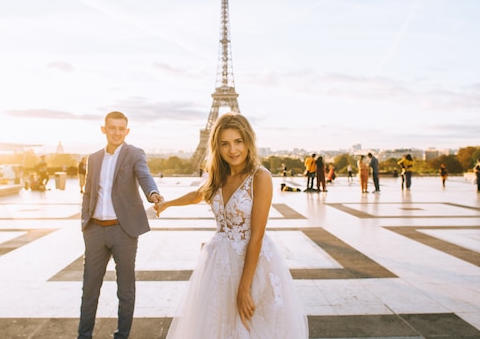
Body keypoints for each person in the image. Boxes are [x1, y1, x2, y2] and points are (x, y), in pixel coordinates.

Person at [154, 112, 309, 339]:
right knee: (218, 326)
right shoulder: (219, 174)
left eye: (238, 142)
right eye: (224, 144)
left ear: (248, 141)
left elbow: (256, 235)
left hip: (253, 265)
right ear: (217, 146)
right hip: (220, 261)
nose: (232, 150)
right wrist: (168, 204)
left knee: (249, 327)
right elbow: (199, 194)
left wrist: (244, 288)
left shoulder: (260, 177)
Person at [77, 111, 163, 339]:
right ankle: (83, 336)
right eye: (112, 128)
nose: (116, 132)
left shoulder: (134, 154)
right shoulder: (93, 158)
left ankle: (121, 336)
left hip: (123, 231)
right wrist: (85, 223)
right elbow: (88, 192)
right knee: (89, 289)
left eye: (121, 128)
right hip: (95, 230)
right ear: (103, 129)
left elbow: (145, 176)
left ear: (127, 131)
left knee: (125, 290)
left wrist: (153, 193)